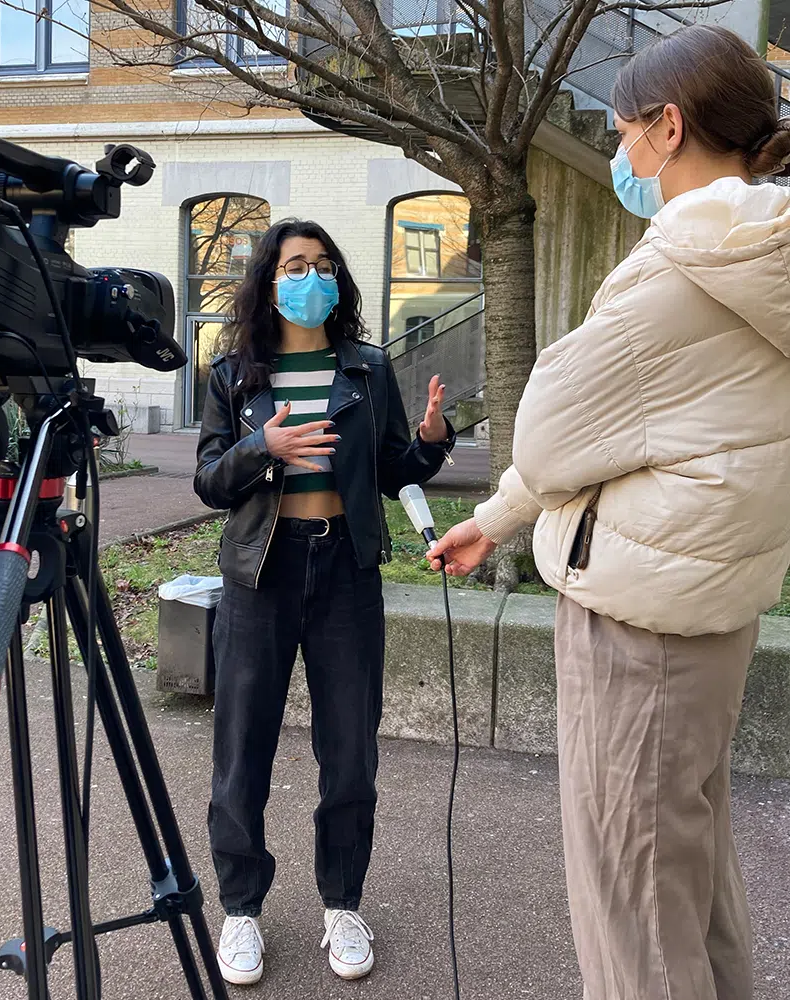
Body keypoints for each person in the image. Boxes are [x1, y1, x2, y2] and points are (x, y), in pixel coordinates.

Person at [428, 24, 790, 1000]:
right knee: (691, 877)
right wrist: (498, 519)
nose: (622, 151)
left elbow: (549, 434)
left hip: (637, 624)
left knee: (632, 905)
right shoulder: (763, 252)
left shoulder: (675, 271)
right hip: (710, 605)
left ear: (667, 127)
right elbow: (629, 431)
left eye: (624, 130)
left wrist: (512, 496)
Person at [194, 219, 455, 985]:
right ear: (268, 283)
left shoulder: (368, 370)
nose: (311, 277)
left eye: (322, 265)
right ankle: (241, 909)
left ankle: (343, 902)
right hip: (259, 577)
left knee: (350, 754)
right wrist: (260, 449)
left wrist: (433, 441)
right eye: (294, 265)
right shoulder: (235, 375)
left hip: (345, 573)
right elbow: (209, 479)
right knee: (242, 752)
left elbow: (390, 466)